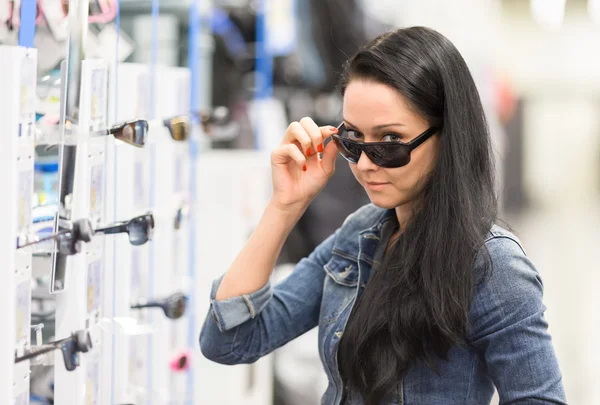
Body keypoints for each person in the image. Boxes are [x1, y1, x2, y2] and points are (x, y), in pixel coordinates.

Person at [199, 27, 567, 405]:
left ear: (447, 137)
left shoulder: (493, 265)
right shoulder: (357, 239)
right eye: (353, 140)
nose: (364, 164)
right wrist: (284, 206)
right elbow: (229, 341)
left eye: (390, 142)